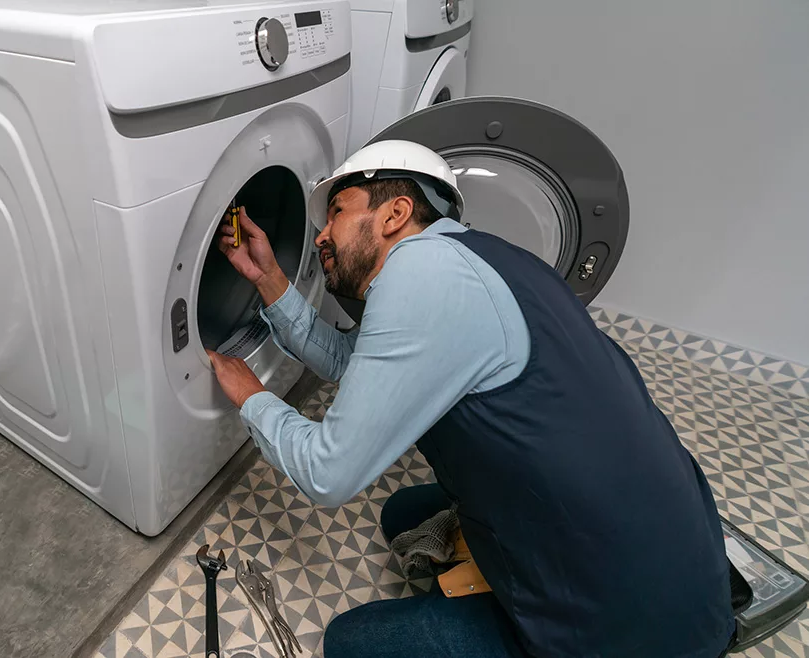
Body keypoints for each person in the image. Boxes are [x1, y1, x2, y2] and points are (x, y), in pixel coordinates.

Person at [206, 140, 734, 657]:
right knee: (404, 513)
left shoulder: (418, 276)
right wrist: (269, 280)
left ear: (395, 214)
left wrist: (253, 395)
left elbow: (329, 473)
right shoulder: (487, 258)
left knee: (353, 643)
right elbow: (355, 363)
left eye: (337, 213)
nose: (322, 236)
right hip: (680, 564)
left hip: (631, 631)